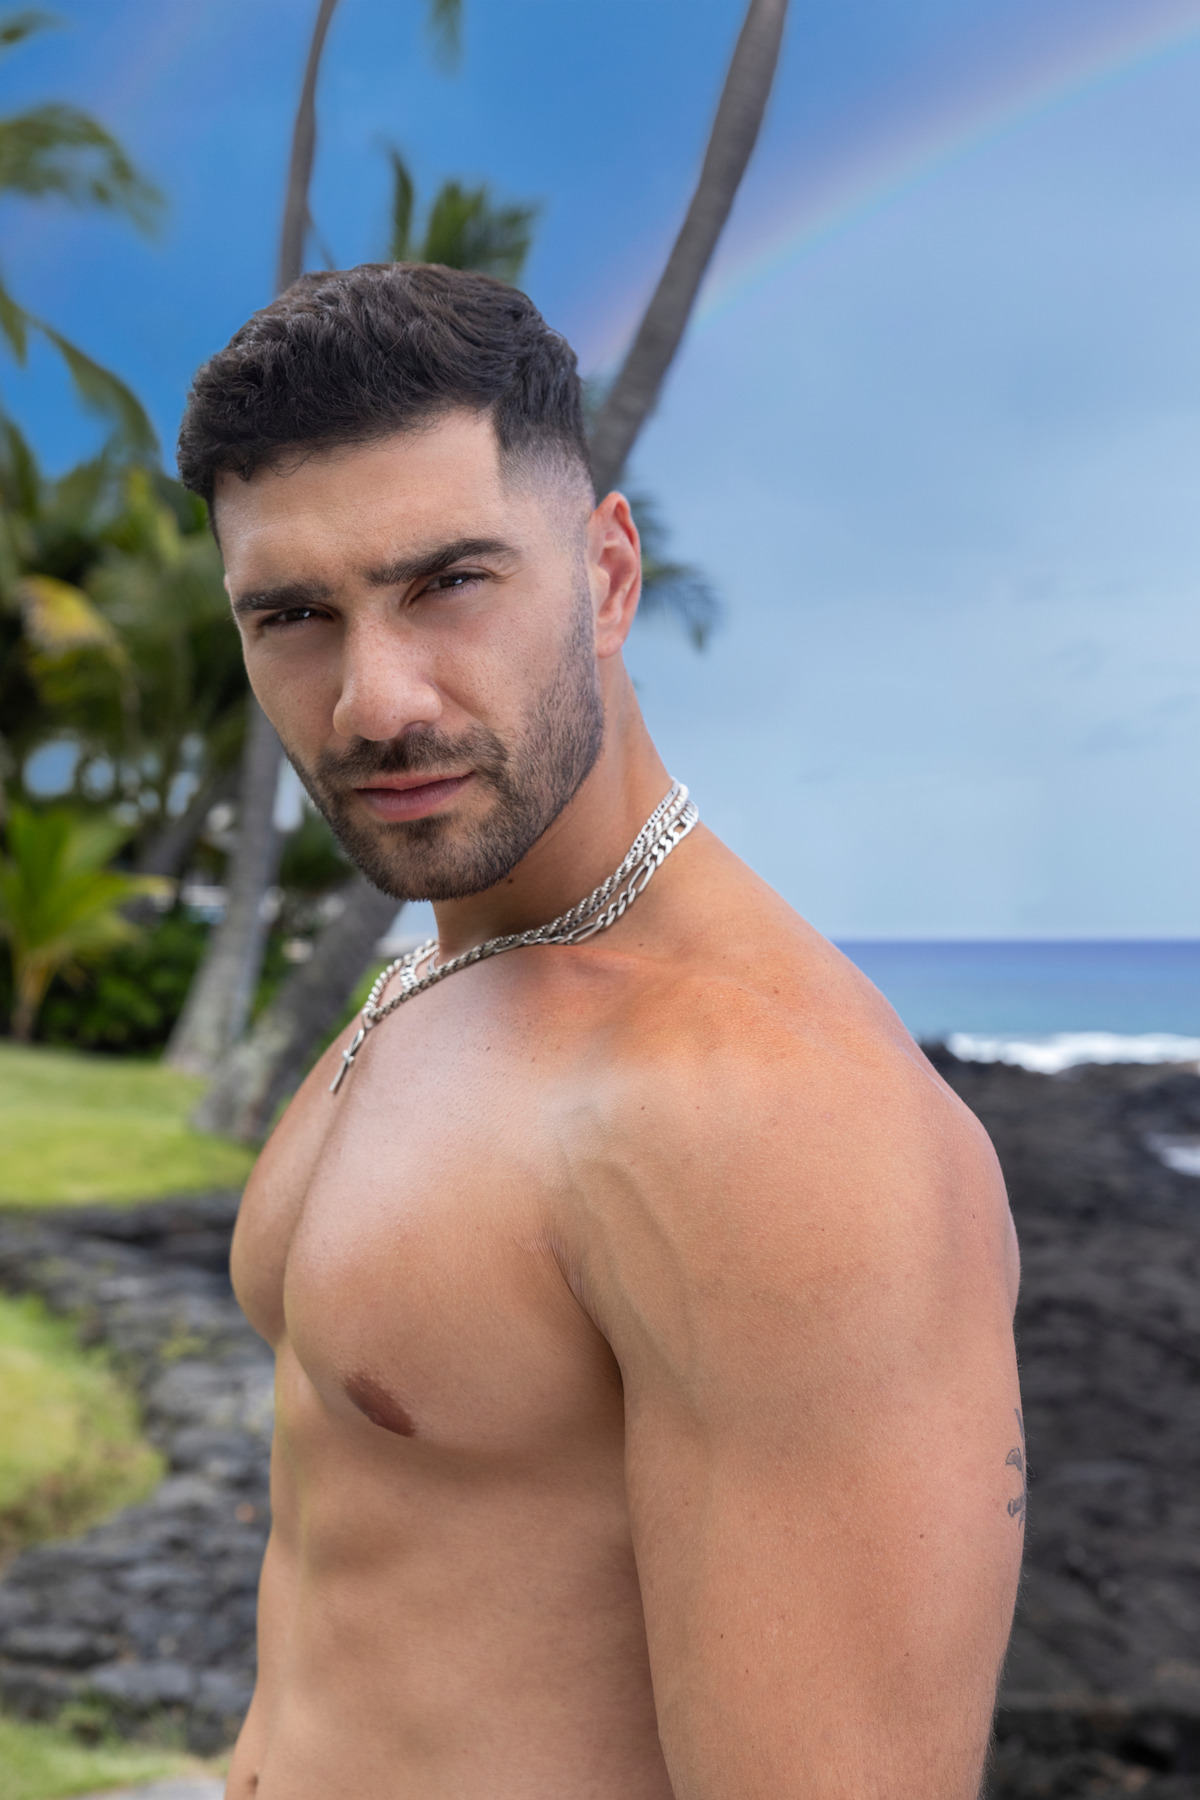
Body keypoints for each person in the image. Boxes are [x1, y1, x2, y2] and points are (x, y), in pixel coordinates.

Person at [178, 262, 1024, 1800]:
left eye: (449, 582)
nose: (375, 700)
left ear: (611, 576)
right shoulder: (441, 964)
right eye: (295, 615)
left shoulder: (766, 1118)